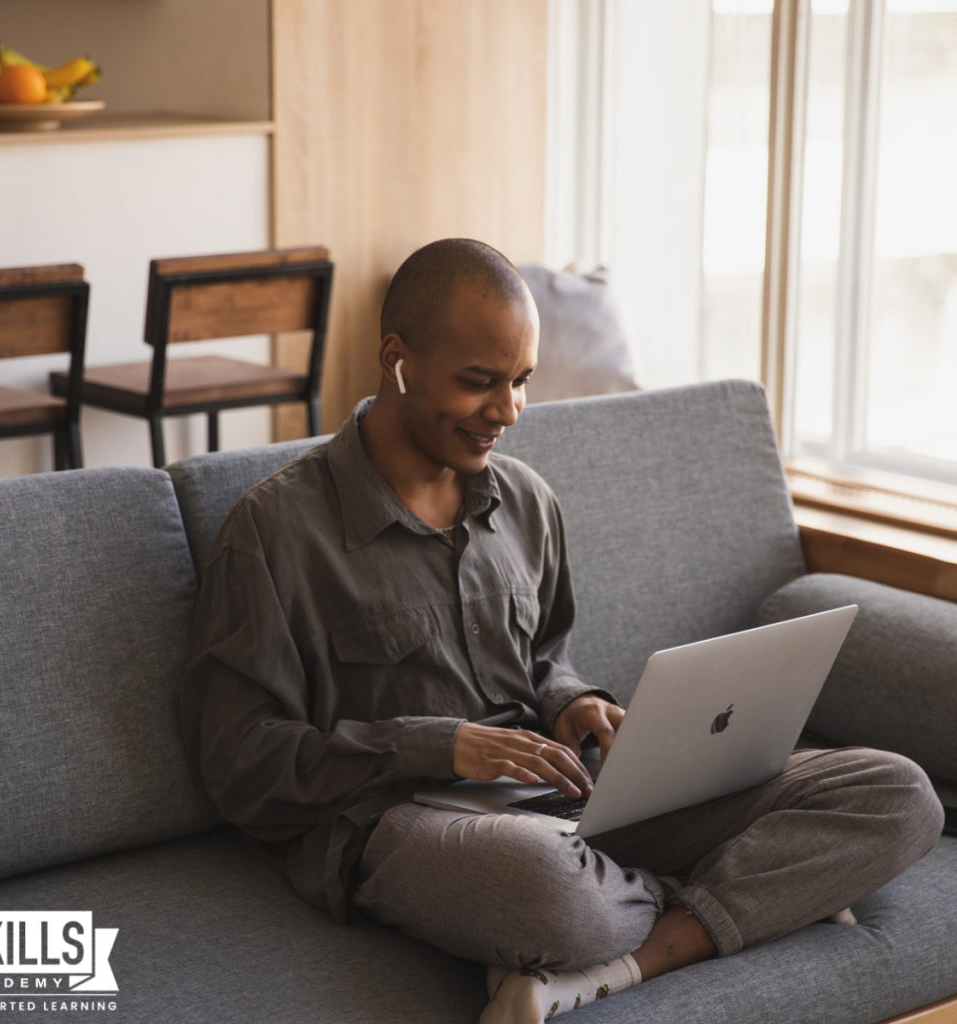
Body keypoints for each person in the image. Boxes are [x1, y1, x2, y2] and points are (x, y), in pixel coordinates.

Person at [180, 238, 943, 1024]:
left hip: (566, 799)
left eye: (519, 382)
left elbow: (546, 661)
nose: (507, 411)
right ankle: (746, 891)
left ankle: (627, 957)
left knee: (896, 794)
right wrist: (436, 743)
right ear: (396, 358)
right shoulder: (274, 533)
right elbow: (240, 764)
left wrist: (572, 701)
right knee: (552, 898)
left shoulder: (526, 501)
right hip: (405, 819)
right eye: (479, 382)